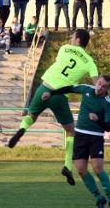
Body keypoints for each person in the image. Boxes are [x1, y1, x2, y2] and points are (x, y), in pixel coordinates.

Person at [9, 29, 99, 185]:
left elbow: (61, 63)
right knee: (70, 130)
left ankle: (22, 129)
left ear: (78, 40)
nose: (70, 39)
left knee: (31, 116)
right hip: (59, 95)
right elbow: (97, 84)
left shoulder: (64, 48)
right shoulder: (89, 61)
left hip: (44, 87)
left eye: (72, 37)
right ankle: (66, 165)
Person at [42, 75, 110, 208]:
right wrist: (50, 93)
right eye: (99, 83)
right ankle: (99, 198)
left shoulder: (108, 103)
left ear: (108, 88)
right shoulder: (86, 89)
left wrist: (97, 120)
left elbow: (108, 127)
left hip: (95, 137)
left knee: (98, 169)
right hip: (80, 135)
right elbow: (69, 88)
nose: (99, 88)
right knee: (81, 170)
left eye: (103, 86)